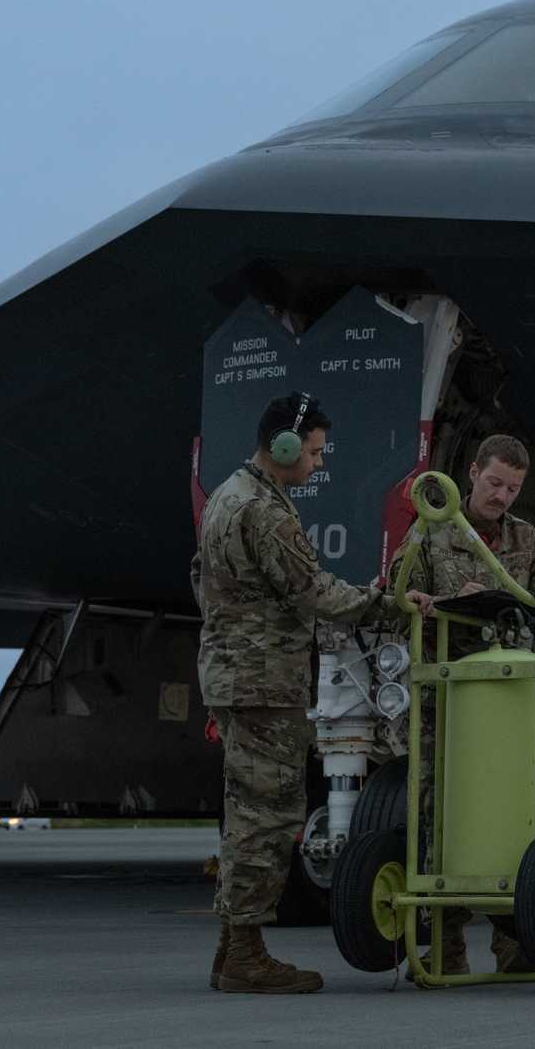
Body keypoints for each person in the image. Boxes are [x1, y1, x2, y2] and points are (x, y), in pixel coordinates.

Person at [193, 391, 431, 994]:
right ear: (285, 446)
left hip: (232, 673)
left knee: (245, 812)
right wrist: (387, 604)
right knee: (269, 817)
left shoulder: (226, 495)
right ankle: (246, 954)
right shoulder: (266, 512)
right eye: (317, 453)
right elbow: (313, 590)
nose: (320, 465)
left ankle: (231, 949)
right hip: (264, 680)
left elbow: (202, 579)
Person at [390, 434, 535, 978]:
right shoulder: (431, 533)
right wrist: (423, 605)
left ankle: (520, 939)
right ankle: (445, 945)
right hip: (448, 701)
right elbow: (392, 600)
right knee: (438, 813)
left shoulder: (528, 542)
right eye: (494, 483)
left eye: (513, 488)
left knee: (522, 810)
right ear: (472, 473)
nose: (503, 496)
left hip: (515, 707)